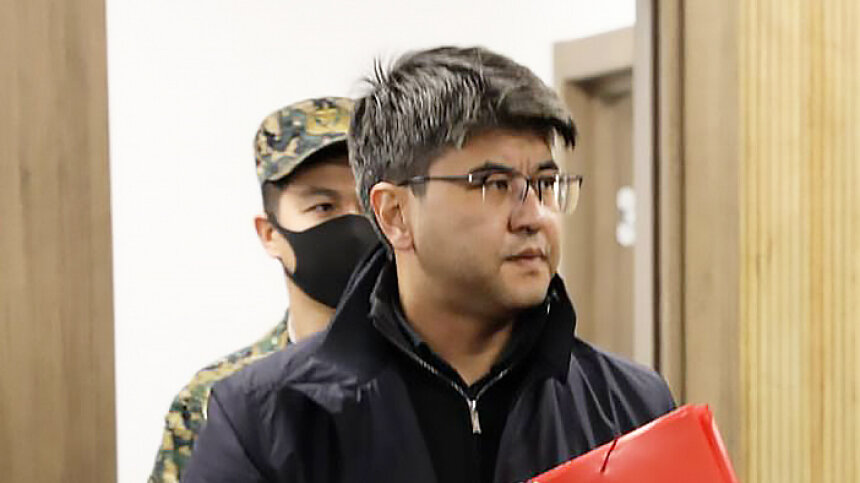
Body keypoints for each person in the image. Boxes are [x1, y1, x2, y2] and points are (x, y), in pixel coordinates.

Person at [184, 47, 676, 483]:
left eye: (546, 184)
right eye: (494, 185)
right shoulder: (267, 418)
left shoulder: (630, 406)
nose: (534, 217)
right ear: (395, 214)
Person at [148, 97, 379, 483]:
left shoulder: (439, 379)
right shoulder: (214, 402)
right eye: (323, 206)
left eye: (368, 206)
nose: (354, 225)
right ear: (270, 234)